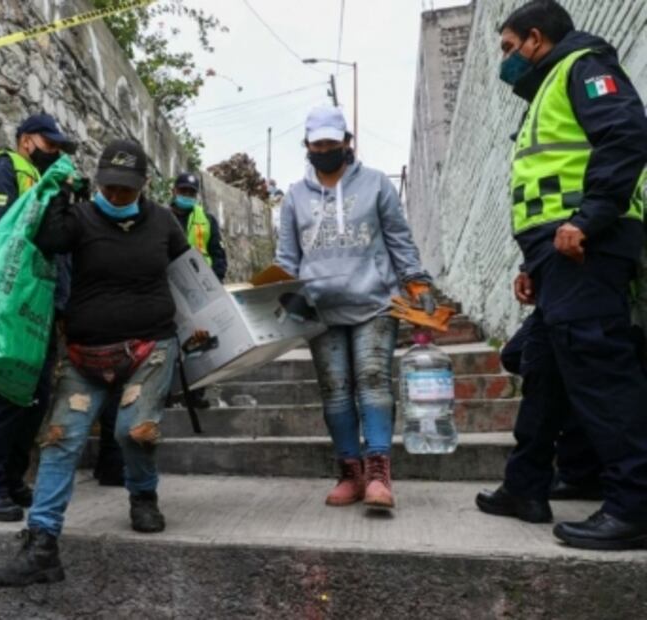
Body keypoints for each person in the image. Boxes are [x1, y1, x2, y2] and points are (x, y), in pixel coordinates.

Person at [474, 0, 647, 550]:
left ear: (534, 39)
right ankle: (525, 485)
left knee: (600, 371)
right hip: (556, 256)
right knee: (543, 368)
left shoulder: (585, 68)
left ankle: (635, 504)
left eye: (508, 48)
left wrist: (589, 219)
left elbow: (627, 137)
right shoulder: (550, 88)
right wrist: (531, 263)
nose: (505, 61)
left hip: (584, 249)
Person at [0, 139, 190, 587]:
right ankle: (42, 544)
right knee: (60, 439)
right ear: (98, 182)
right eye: (110, 187)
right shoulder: (78, 219)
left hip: (149, 348)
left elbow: (190, 279)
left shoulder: (163, 222)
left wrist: (205, 330)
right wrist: (59, 192)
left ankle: (143, 496)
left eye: (127, 189)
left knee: (133, 430)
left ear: (145, 185)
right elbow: (44, 239)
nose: (117, 196)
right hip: (85, 354)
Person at [276, 105, 435, 510]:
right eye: (318, 144)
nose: (326, 149)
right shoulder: (294, 197)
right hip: (321, 309)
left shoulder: (378, 185)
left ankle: (379, 472)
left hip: (375, 302)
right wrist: (282, 297)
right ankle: (350, 473)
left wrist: (416, 280)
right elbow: (287, 258)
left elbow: (398, 238)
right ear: (307, 147)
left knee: (372, 380)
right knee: (335, 393)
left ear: (348, 143)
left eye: (333, 142)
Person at [0, 113, 78, 522]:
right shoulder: (3, 170)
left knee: (34, 399)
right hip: (8, 304)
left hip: (41, 306)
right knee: (3, 395)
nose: (58, 154)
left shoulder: (44, 182)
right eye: (51, 146)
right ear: (27, 140)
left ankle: (12, 480)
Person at [92, 171, 228, 486]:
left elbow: (217, 254)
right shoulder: (155, 217)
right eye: (182, 189)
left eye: (190, 191)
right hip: (154, 295)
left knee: (197, 344)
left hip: (194, 292)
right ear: (172, 189)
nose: (186, 195)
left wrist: (211, 281)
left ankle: (195, 390)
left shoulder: (204, 219)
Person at [498, 314, 602, 508]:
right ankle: (577, 472)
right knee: (520, 354)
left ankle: (575, 473)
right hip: (556, 298)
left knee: (555, 359)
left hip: (577, 299)